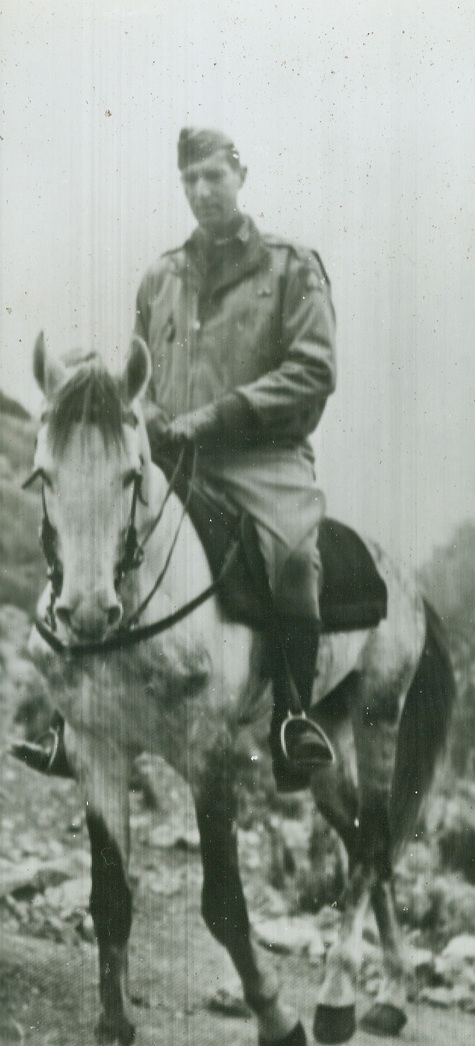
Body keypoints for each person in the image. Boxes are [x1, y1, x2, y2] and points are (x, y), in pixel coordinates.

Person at [13, 126, 337, 791]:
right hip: (174, 452)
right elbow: (140, 378)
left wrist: (216, 418)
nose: (201, 191)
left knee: (294, 558)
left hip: (261, 459)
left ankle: (292, 721)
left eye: (214, 176)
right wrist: (144, 417)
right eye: (189, 179)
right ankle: (71, 721)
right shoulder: (161, 277)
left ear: (240, 174)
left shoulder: (292, 267)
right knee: (94, 534)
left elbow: (313, 370)